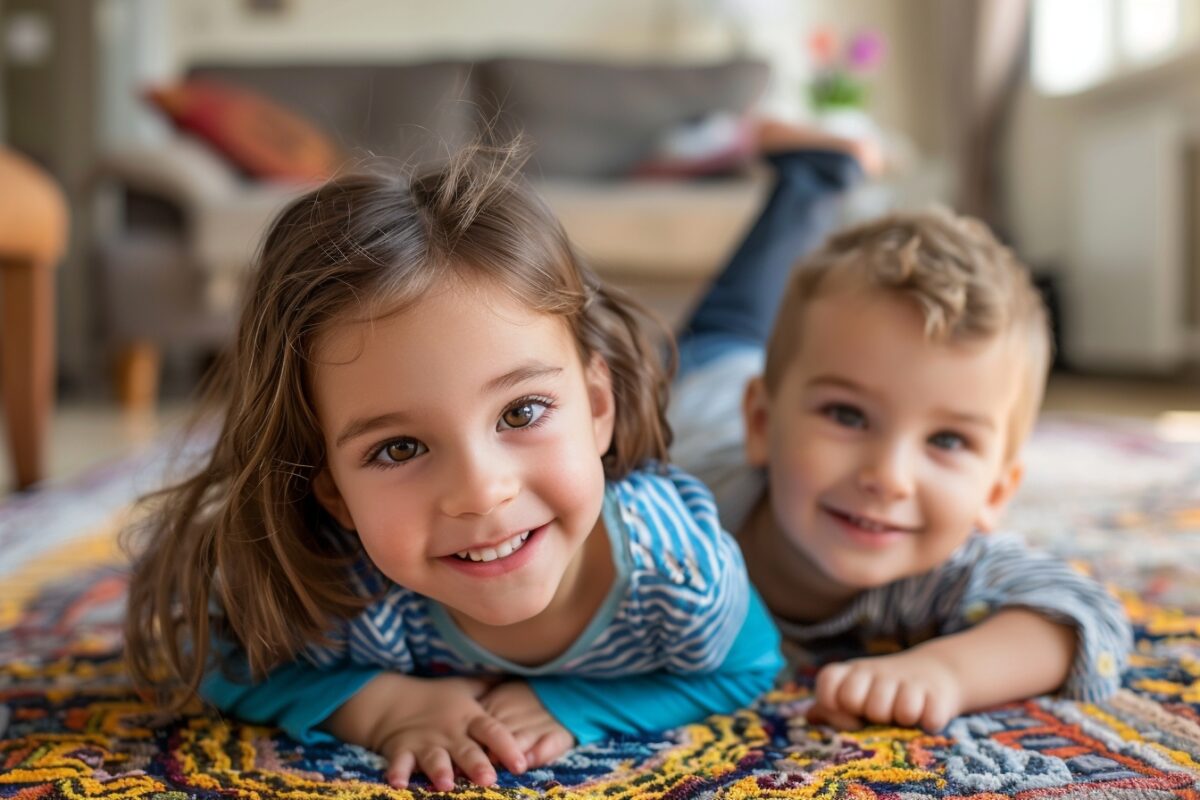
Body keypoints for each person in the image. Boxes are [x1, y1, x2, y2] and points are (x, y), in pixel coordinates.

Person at [122, 142, 784, 792]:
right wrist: (380, 706)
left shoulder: (680, 574)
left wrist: (578, 704)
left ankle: (804, 184)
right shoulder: (344, 594)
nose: (481, 493)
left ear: (597, 405)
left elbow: (751, 666)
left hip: (714, 415)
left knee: (725, 342)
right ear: (333, 492)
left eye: (521, 413)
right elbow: (203, 651)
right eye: (399, 448)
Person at [669, 153, 1133, 733]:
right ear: (763, 425)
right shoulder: (681, 514)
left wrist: (945, 672)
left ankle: (814, 172)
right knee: (729, 321)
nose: (889, 477)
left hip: (744, 381)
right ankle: (809, 177)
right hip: (701, 389)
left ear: (995, 491)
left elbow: (1091, 619)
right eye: (847, 414)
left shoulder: (944, 564)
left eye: (947, 439)